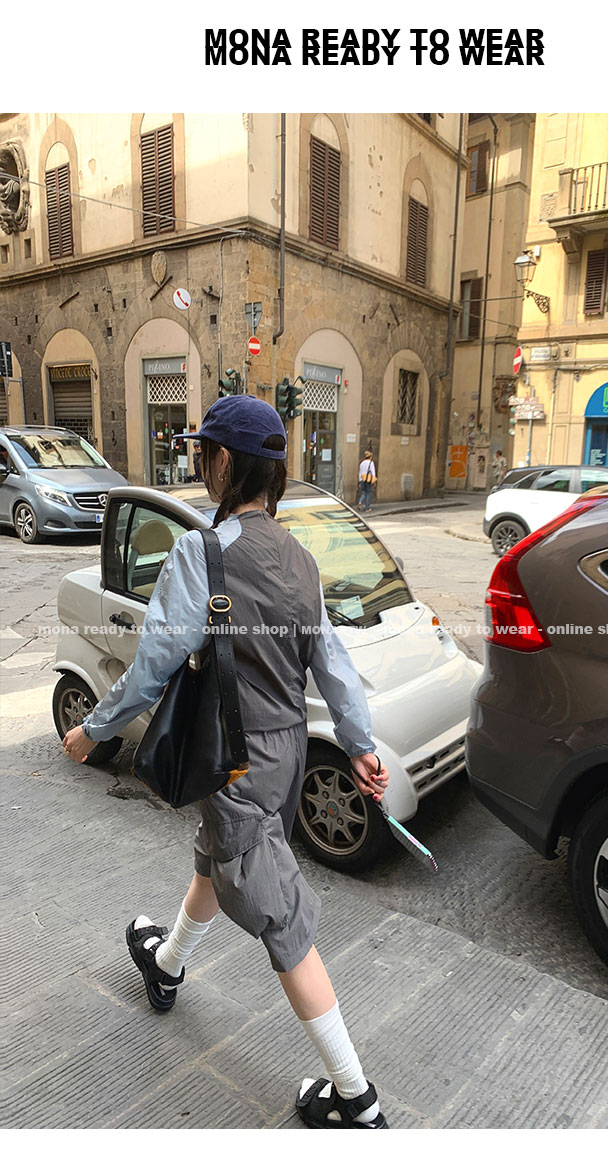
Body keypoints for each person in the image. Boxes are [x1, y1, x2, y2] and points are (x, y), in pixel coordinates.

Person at [61, 394, 391, 1130]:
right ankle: (168, 963)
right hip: (285, 754)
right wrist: (360, 745)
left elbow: (152, 667)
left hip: (233, 758)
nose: (199, 462)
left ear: (225, 463)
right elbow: (332, 664)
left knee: (283, 918)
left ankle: (356, 1098)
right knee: (220, 854)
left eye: (203, 451)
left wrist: (94, 730)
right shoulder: (301, 558)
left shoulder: (200, 553)